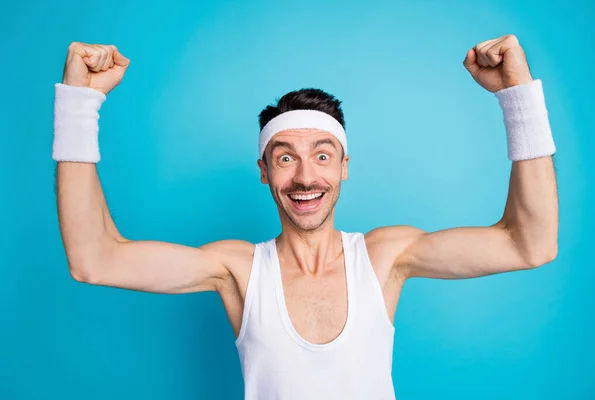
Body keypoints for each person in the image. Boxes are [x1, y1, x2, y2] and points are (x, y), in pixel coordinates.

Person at [53, 34, 558, 400]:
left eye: (321, 155)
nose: (304, 177)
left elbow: (528, 244)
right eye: (285, 157)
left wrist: (517, 94)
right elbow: (94, 260)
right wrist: (81, 103)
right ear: (264, 172)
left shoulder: (386, 257)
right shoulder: (238, 269)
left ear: (344, 167)